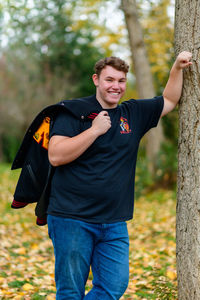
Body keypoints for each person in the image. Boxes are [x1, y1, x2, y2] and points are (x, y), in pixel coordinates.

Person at [47, 51, 192, 299]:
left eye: (121, 81)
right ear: (96, 80)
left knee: (113, 286)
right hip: (72, 218)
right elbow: (56, 155)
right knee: (70, 291)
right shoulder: (72, 112)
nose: (116, 86)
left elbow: (169, 100)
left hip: (114, 222)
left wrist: (177, 68)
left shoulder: (132, 113)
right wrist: (94, 131)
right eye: (109, 80)